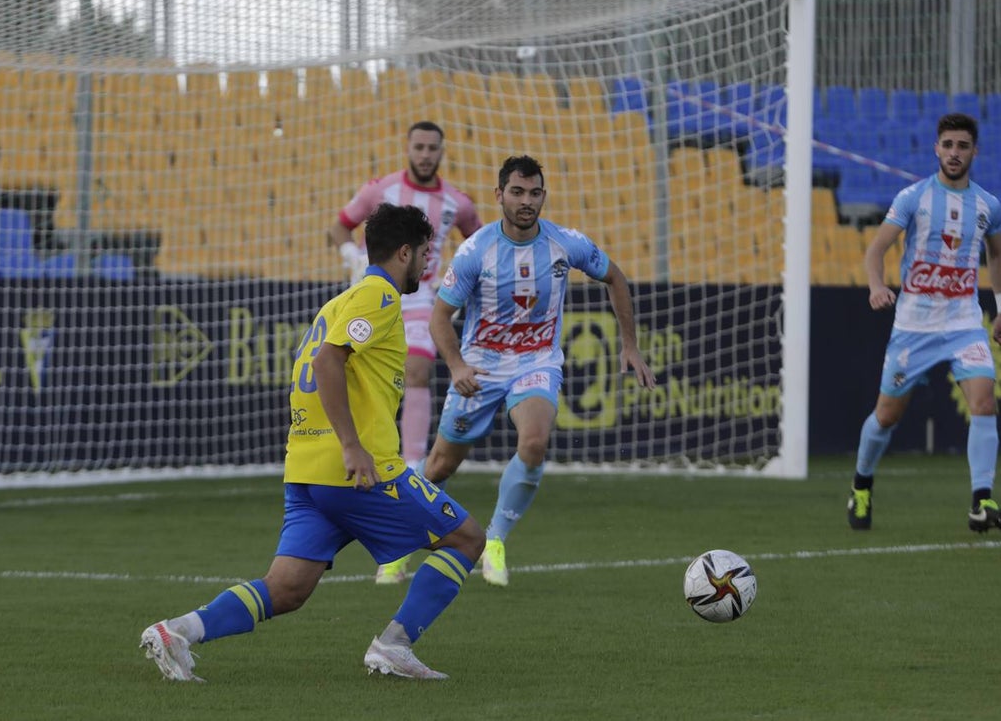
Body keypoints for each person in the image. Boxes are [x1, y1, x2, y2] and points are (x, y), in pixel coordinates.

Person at [141, 203, 485, 682]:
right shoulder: (378, 297)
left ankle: (177, 631)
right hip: (360, 472)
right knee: (467, 539)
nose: (430, 264)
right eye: (426, 253)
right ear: (404, 252)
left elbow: (316, 365)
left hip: (307, 469)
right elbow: (328, 363)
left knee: (286, 589)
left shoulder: (336, 304)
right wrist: (350, 444)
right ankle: (394, 645)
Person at [422, 154, 656, 586]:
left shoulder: (565, 243)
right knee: (438, 467)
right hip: (480, 367)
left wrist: (630, 346)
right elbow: (439, 317)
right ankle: (400, 539)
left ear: (543, 195)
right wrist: (456, 366)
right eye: (517, 192)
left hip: (536, 363)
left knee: (533, 441)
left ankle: (495, 539)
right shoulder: (476, 250)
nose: (526, 201)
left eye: (534, 193)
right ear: (499, 196)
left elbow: (616, 278)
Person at [327, 120, 483, 585]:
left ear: (441, 151)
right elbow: (338, 226)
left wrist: (464, 277)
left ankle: (413, 467)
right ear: (408, 148)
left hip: (423, 300)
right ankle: (364, 455)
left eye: (433, 147)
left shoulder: (458, 202)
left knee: (416, 370)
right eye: (418, 146)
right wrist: (353, 257)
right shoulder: (382, 189)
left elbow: (477, 241)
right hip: (374, 291)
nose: (425, 153)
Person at [847, 112, 1001, 533]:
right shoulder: (913, 198)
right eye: (947, 145)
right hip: (914, 327)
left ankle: (980, 501)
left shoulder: (988, 205)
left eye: (962, 146)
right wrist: (876, 286)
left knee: (985, 400)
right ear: (937, 148)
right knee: (887, 415)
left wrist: (1000, 306)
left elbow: (997, 255)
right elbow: (876, 249)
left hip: (964, 323)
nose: (954, 153)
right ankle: (861, 485)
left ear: (974, 151)